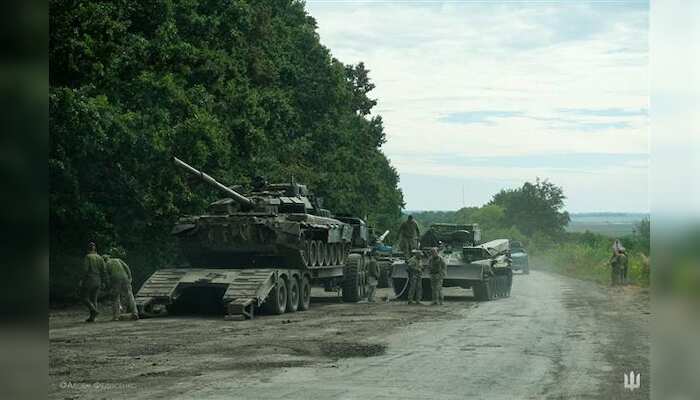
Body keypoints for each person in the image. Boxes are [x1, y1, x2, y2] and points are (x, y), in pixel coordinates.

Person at [104, 248, 139, 321]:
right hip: (125, 277)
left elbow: (106, 276)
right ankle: (135, 312)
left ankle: (116, 316)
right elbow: (127, 268)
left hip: (115, 279)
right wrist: (130, 277)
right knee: (129, 295)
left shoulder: (107, 264)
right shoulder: (118, 260)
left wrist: (108, 285)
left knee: (115, 297)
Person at [80, 242, 105, 322]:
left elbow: (85, 270)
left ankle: (94, 311)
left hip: (89, 279)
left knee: (84, 297)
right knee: (94, 299)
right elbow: (103, 270)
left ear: (88, 249)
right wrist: (103, 281)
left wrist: (82, 279)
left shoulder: (88, 257)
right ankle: (92, 318)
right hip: (98, 280)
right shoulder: (100, 257)